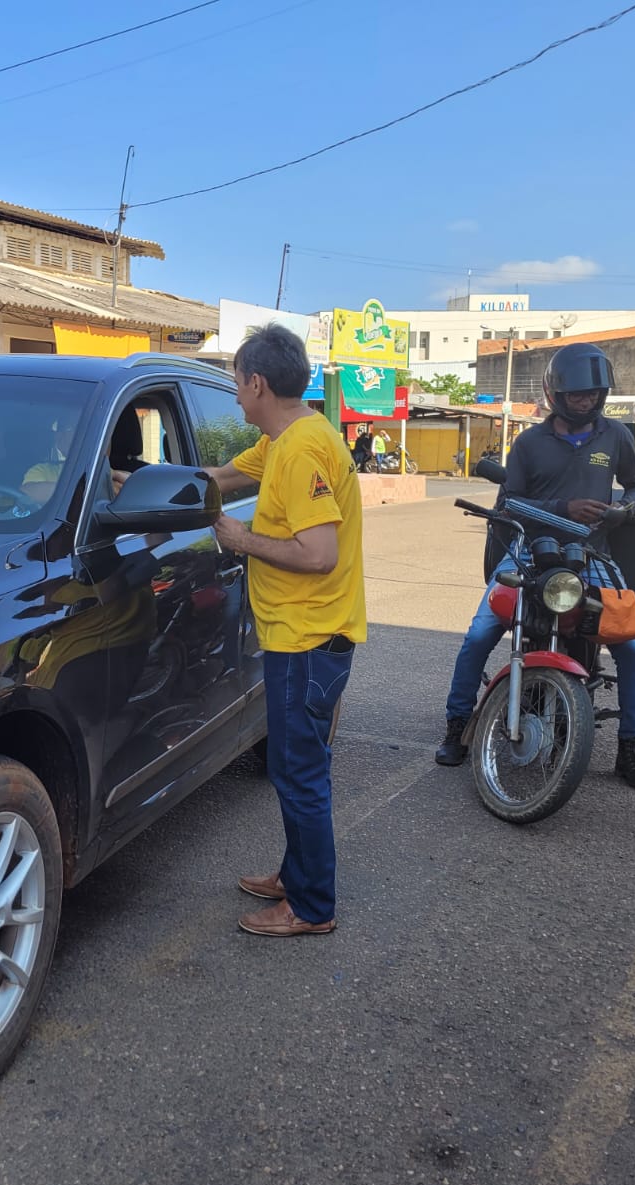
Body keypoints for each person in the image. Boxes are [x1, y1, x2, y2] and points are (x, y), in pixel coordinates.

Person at [433, 342, 635, 791]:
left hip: (595, 558)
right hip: (527, 552)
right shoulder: (530, 442)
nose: (586, 402)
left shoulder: (616, 436)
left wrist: (624, 510)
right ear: (556, 393)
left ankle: (632, 744)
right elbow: (509, 501)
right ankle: (458, 723)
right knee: (480, 634)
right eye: (577, 395)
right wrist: (563, 507)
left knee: (632, 649)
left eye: (594, 395)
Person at [204, 323, 366, 938]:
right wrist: (135, 481)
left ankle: (310, 906)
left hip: (307, 638)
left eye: (237, 385)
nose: (236, 397)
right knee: (300, 764)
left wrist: (241, 539)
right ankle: (296, 874)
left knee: (298, 771)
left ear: (258, 382)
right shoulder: (289, 437)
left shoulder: (299, 452)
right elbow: (221, 478)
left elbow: (318, 552)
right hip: (306, 634)